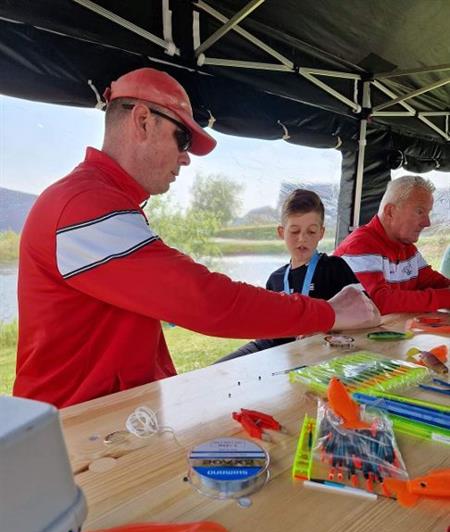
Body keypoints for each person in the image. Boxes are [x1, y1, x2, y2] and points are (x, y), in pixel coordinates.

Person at [13, 67, 380, 409]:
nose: (186, 158)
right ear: (143, 120)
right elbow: (204, 300)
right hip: (73, 429)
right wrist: (329, 312)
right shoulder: (83, 205)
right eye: (182, 138)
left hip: (108, 416)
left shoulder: (102, 201)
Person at [216, 189, 361, 362]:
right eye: (294, 231)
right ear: (281, 232)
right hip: (274, 350)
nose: (302, 238)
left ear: (321, 233)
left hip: (317, 353)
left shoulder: (335, 268)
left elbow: (369, 314)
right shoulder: (275, 279)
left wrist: (325, 328)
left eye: (311, 231)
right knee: (217, 369)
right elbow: (266, 328)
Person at [334, 176, 450, 315]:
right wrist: (445, 298)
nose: (427, 223)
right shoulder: (360, 245)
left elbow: (434, 282)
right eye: (420, 212)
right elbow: (377, 303)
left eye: (428, 213)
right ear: (390, 211)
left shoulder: (406, 247)